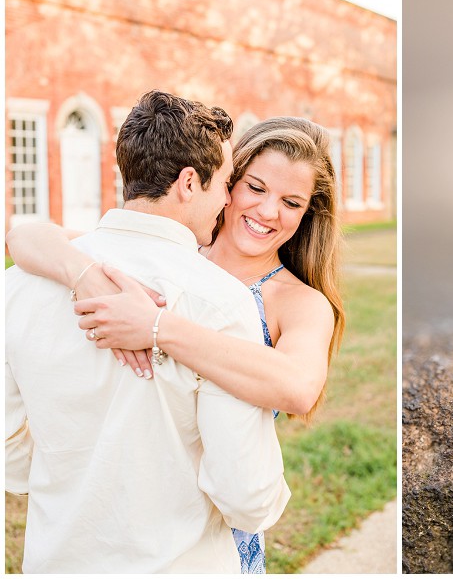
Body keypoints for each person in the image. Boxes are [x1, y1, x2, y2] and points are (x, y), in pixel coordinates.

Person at [6, 111, 345, 573]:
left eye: (291, 202)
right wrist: (81, 274)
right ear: (226, 184)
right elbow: (24, 236)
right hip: (104, 507)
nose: (268, 212)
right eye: (256, 187)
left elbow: (299, 387)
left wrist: (156, 327)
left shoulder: (298, 302)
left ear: (308, 214)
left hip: (209, 527)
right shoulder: (162, 260)